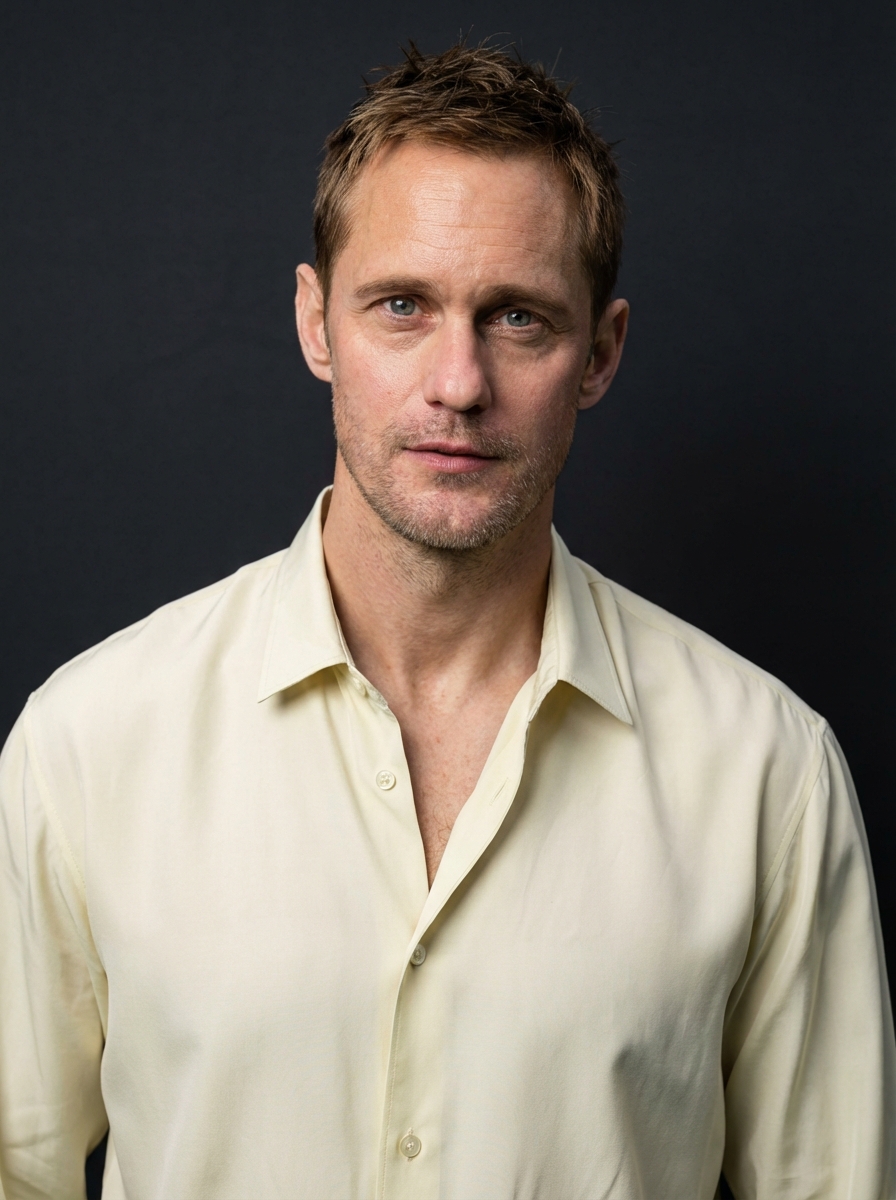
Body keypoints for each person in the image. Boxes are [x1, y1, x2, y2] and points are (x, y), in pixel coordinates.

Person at [0, 41, 893, 1200]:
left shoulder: (765, 775)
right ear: (315, 322)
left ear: (599, 353)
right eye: (401, 307)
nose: (458, 383)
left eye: (517, 318)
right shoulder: (88, 743)